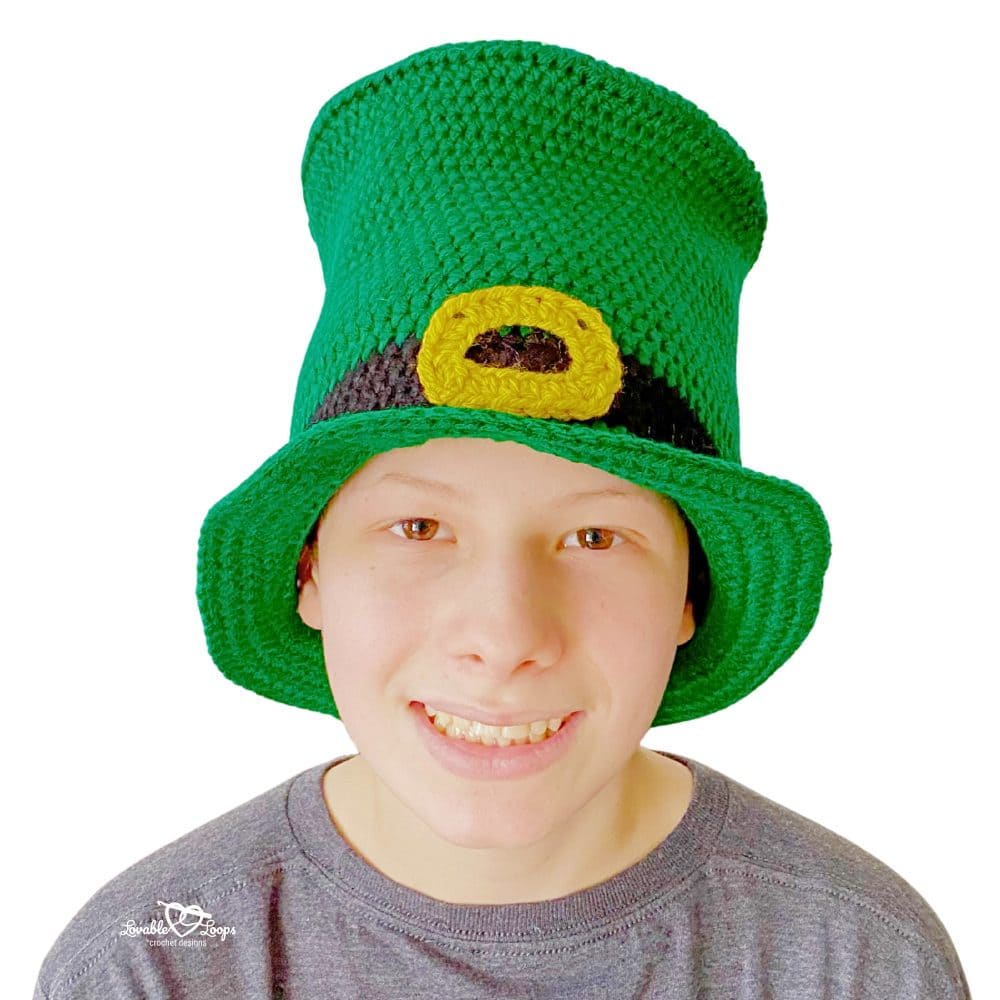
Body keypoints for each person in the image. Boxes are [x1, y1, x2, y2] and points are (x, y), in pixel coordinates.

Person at [33, 38, 971, 999]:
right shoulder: (153, 964)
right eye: (419, 529)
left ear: (689, 592)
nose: (504, 636)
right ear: (311, 568)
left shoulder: (851, 961)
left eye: (595, 538)